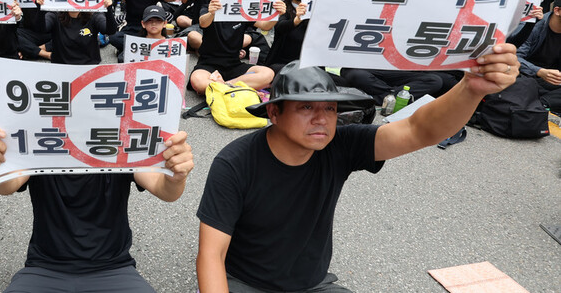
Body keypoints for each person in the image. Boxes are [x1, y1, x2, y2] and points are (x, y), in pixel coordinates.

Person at [196, 50, 519, 293]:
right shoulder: (234, 163)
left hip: (312, 284)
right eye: (306, 107)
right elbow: (211, 254)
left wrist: (471, 88)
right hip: (248, 283)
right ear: (274, 113)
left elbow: (420, 130)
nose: (321, 119)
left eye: (330, 108)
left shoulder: (339, 145)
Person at [0, 122, 194, 293]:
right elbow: (7, 186)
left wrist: (175, 177)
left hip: (113, 268)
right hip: (44, 267)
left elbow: (164, 190)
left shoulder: (119, 139)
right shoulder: (41, 139)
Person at [517, 0, 561, 109]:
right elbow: (515, 57)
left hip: (551, 82)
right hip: (525, 75)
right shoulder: (534, 25)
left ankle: (541, 104)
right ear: (557, 11)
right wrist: (539, 71)